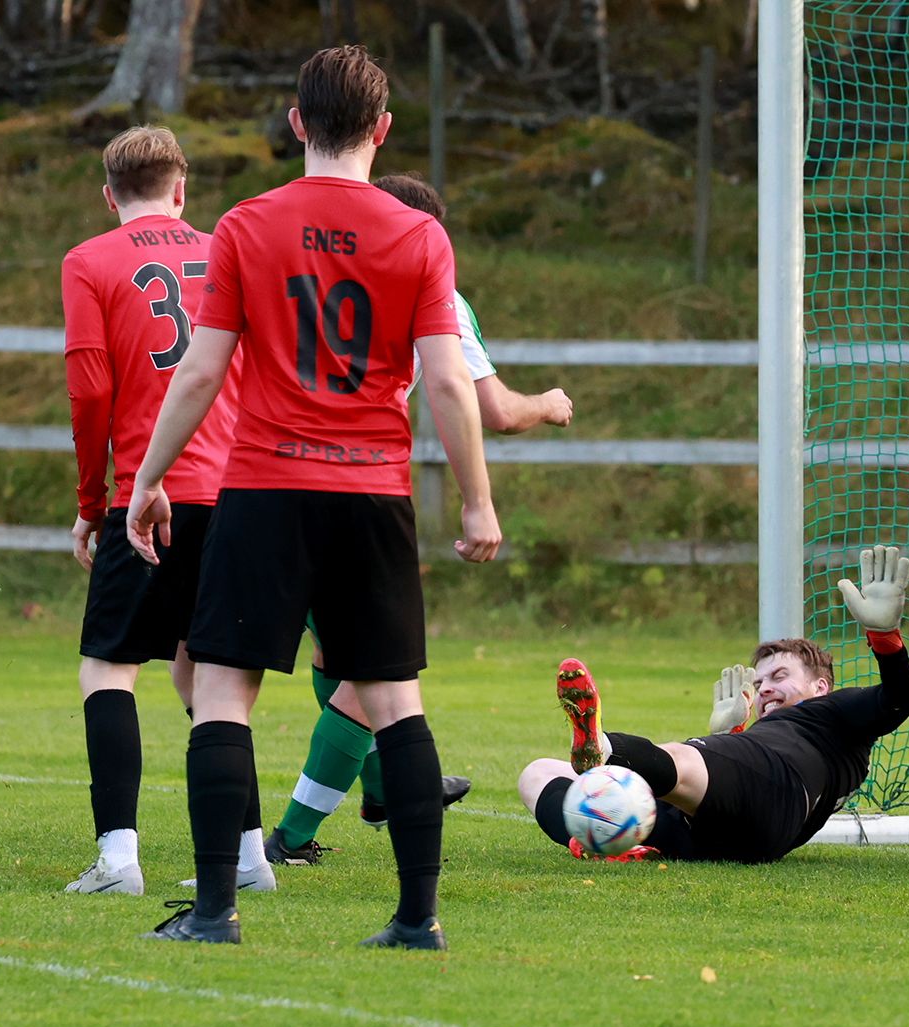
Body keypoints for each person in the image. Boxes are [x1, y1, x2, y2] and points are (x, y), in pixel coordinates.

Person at [127, 46, 501, 946]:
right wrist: (478, 503)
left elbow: (203, 368)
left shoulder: (248, 224)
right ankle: (417, 918)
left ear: (296, 124)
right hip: (372, 492)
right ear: (381, 130)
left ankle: (215, 911)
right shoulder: (420, 235)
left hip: (265, 487)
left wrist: (145, 479)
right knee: (393, 700)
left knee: (222, 691)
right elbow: (448, 384)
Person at [265, 170, 575, 865]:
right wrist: (546, 405)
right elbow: (490, 408)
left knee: (322, 654)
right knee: (367, 667)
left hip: (256, 481)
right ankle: (294, 834)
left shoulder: (293, 261)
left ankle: (380, 785)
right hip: (350, 489)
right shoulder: (425, 276)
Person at [59, 126, 263, 898]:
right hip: (239, 494)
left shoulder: (90, 260)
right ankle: (249, 857)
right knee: (211, 677)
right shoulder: (229, 250)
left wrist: (91, 502)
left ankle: (118, 859)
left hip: (150, 493)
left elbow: (89, 390)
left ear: (108, 194)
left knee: (107, 670)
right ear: (183, 190)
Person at [517, 546, 909, 864]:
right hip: (707, 839)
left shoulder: (834, 713)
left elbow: (899, 701)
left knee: (681, 757)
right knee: (536, 775)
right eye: (758, 683)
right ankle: (611, 840)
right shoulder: (768, 740)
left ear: (821, 687)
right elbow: (737, 785)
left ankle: (603, 748)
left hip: (779, 794)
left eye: (779, 677)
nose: (763, 690)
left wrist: (884, 636)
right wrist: (730, 735)